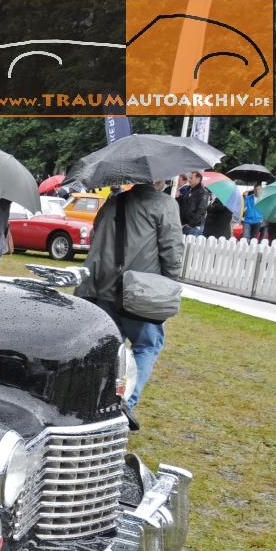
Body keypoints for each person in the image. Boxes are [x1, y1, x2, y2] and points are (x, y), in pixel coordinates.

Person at [76, 180, 183, 413]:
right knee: (147, 347)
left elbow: (96, 236)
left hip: (104, 288)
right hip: (141, 292)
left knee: (112, 350)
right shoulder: (164, 204)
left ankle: (101, 401)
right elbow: (172, 249)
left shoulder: (114, 202)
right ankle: (125, 401)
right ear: (159, 180)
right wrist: (170, 283)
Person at [177, 171, 209, 235]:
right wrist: (178, 197)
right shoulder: (188, 189)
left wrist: (190, 224)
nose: (189, 180)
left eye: (191, 178)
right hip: (183, 225)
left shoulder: (203, 192)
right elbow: (182, 204)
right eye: (189, 178)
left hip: (193, 227)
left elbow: (201, 210)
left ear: (198, 179)